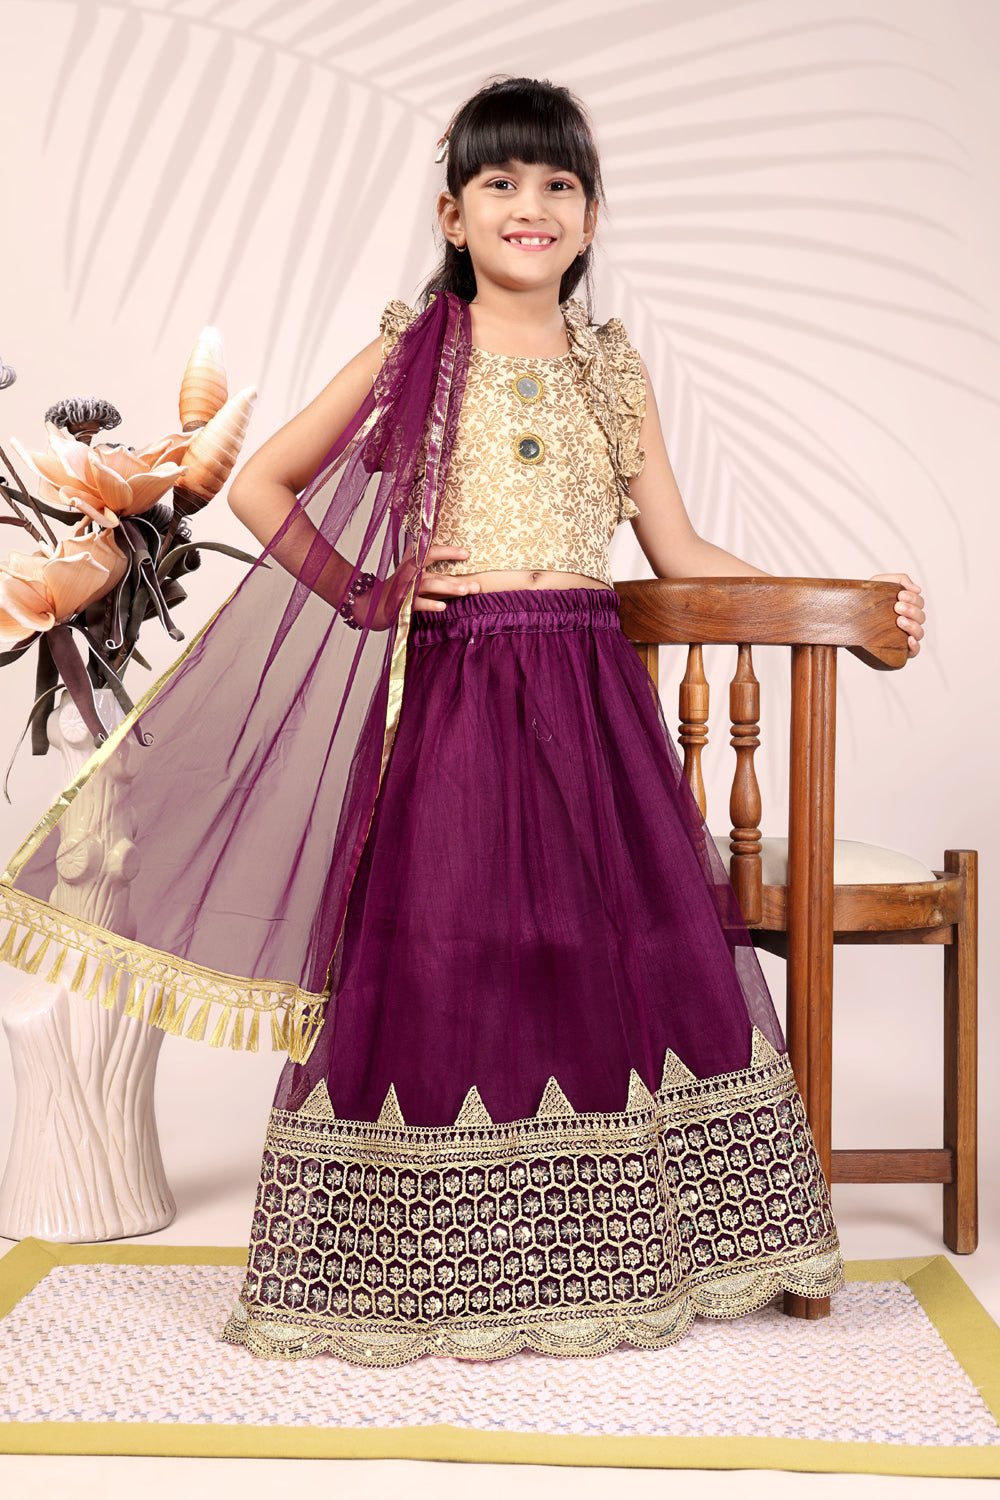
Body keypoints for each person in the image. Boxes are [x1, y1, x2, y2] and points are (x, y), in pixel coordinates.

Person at [0, 78, 923, 1367]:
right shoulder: (413, 350)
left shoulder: (611, 371)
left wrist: (850, 600)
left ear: (592, 217)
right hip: (455, 692)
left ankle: (604, 1244)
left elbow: (680, 551)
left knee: (598, 953)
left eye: (558, 185)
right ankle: (434, 1252)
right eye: (501, 183)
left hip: (588, 700)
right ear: (454, 213)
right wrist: (364, 591)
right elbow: (262, 485)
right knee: (448, 943)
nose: (529, 206)